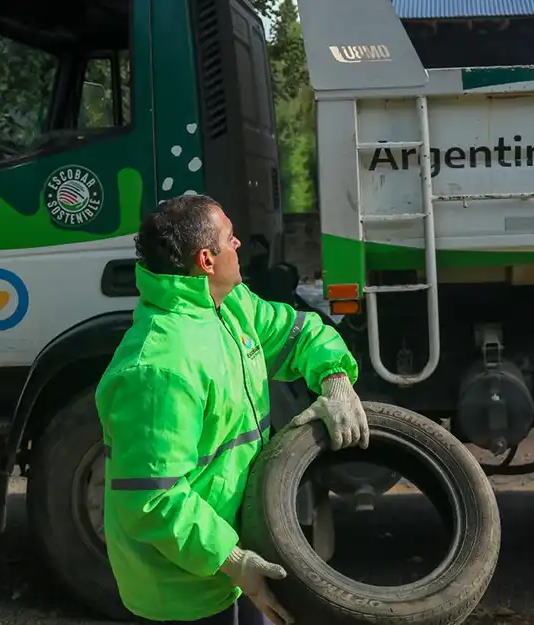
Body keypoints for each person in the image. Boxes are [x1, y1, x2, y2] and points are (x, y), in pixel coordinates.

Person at [95, 194, 369, 625]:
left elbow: (299, 333)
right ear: (207, 259)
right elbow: (152, 498)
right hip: (183, 590)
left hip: (236, 559)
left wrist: (335, 380)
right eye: (230, 237)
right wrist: (233, 558)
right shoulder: (158, 367)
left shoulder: (228, 306)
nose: (239, 244)